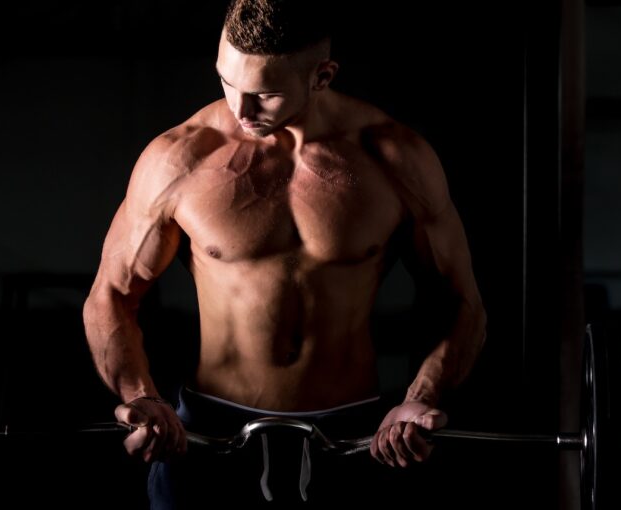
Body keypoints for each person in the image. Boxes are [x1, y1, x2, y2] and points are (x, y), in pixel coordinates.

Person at [82, 0, 486, 506]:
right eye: (227, 82)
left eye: (264, 94)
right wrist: (140, 396)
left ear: (322, 77)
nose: (240, 109)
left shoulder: (395, 160)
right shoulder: (181, 158)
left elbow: (462, 302)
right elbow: (112, 296)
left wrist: (420, 399)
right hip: (209, 432)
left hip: (357, 436)